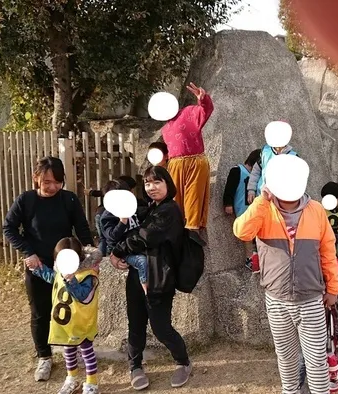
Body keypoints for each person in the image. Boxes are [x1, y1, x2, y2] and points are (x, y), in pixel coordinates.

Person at [233, 154, 338, 394]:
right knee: (286, 357)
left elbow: (328, 253)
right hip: (277, 299)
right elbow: (241, 231)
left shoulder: (317, 211)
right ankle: (290, 391)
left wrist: (333, 288)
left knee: (315, 359)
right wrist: (261, 201)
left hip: (311, 298)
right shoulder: (263, 209)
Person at [3, 156, 93, 382]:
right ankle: (44, 356)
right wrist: (28, 253)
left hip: (68, 266)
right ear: (36, 179)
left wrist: (91, 257)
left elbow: (82, 229)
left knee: (69, 310)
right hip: (38, 265)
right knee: (41, 312)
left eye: (57, 182)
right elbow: (9, 228)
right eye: (47, 182)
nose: (52, 187)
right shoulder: (26, 200)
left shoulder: (69, 199)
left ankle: (71, 350)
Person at [109, 165, 192, 390]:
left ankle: (182, 362)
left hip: (160, 277)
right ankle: (135, 366)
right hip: (137, 275)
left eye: (157, 182)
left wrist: (117, 251)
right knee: (135, 324)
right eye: (147, 183)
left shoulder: (170, 211)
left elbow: (145, 237)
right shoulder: (149, 209)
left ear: (168, 184)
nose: (152, 187)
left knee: (160, 326)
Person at [29, 238, 102, 394]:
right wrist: (37, 269)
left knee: (87, 353)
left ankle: (91, 384)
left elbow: (82, 295)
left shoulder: (88, 275)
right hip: (64, 324)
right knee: (68, 352)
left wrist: (71, 281)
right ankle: (71, 379)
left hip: (82, 324)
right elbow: (52, 278)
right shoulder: (60, 272)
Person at [161, 83, 213, 230]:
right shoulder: (165, 128)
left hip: (195, 161)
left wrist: (203, 99)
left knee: (193, 203)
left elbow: (206, 110)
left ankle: (192, 237)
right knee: (174, 203)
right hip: (175, 165)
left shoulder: (189, 112)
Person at [99, 179, 148, 293]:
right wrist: (122, 221)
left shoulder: (133, 209)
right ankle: (145, 285)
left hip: (134, 246)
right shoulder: (107, 217)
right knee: (142, 261)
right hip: (121, 252)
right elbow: (111, 237)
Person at [222, 149, 262, 271]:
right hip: (242, 208)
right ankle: (249, 258)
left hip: (255, 210)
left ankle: (258, 257)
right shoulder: (237, 170)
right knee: (247, 235)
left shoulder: (257, 177)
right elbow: (230, 187)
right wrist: (228, 203)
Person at [246, 124, 298, 204]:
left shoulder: (293, 156)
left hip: (280, 201)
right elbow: (256, 171)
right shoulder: (265, 152)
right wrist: (251, 190)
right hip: (261, 196)